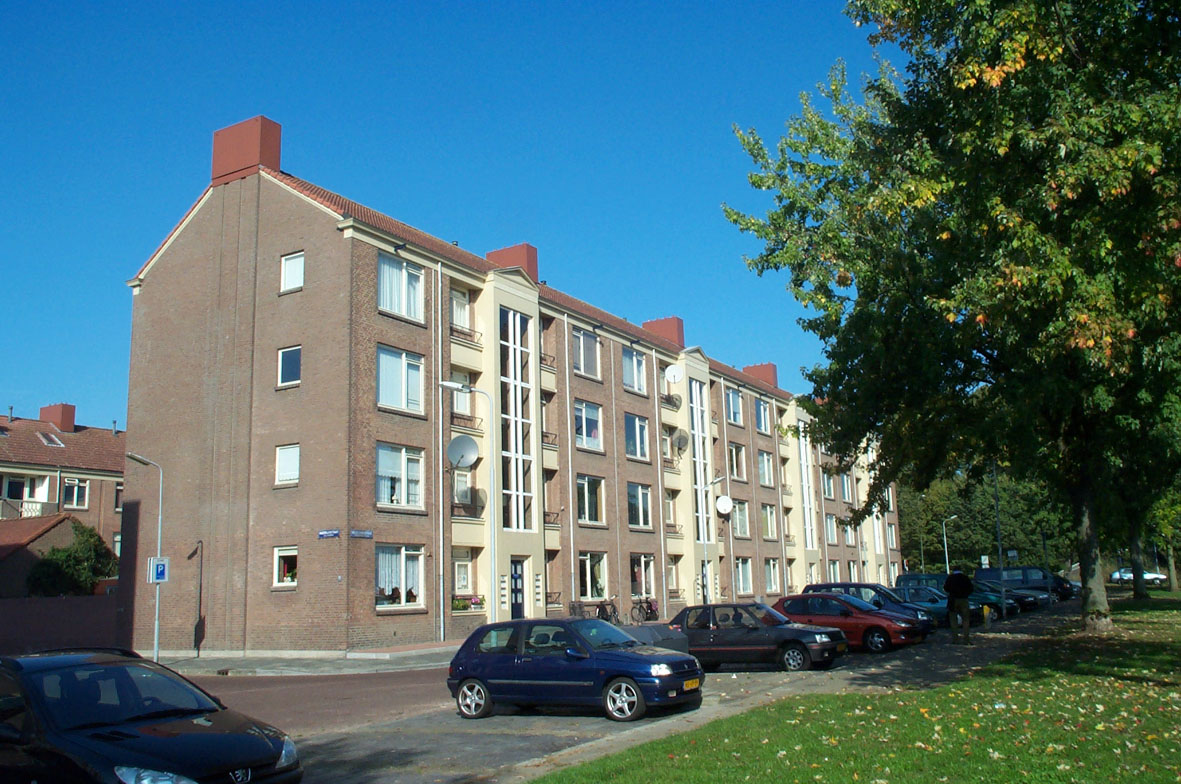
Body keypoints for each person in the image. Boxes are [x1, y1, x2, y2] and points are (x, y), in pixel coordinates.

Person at [943, 569, 974, 644]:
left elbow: (946, 588)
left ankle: (955, 639)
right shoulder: (965, 577)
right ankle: (966, 639)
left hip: (953, 600)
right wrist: (965, 594)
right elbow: (971, 588)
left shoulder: (950, 578)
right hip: (963, 599)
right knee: (965, 619)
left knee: (953, 620)